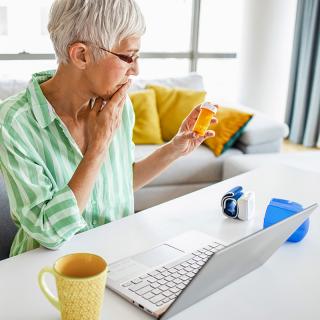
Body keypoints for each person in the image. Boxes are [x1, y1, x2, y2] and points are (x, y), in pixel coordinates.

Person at [0, 0, 216, 257]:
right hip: (44, 272)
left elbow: (119, 185)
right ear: (81, 55)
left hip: (115, 258)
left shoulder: (120, 108)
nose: (136, 69)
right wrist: (98, 146)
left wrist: (174, 149)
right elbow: (48, 231)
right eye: (128, 56)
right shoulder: (14, 122)